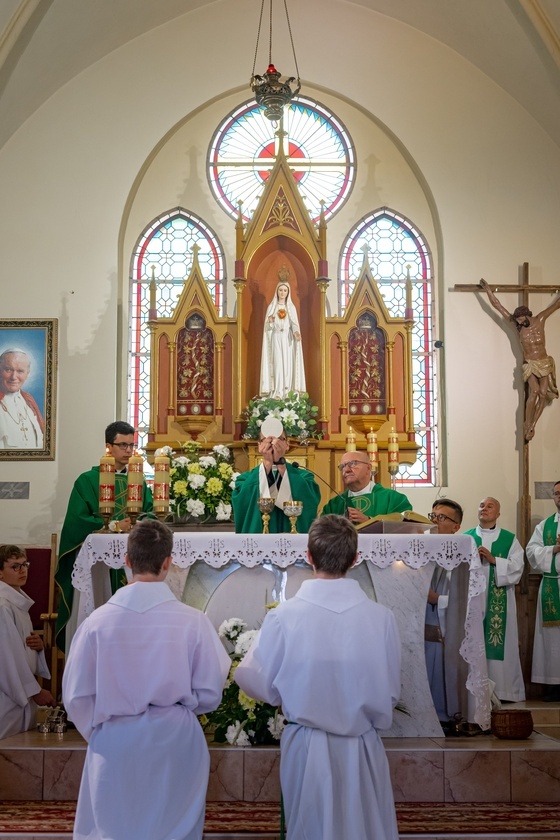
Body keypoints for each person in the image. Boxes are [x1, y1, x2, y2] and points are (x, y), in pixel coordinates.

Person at [235, 515, 401, 840]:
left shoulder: (284, 616)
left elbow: (253, 677)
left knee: (311, 828)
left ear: (308, 556)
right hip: (361, 746)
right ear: (355, 559)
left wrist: (280, 698)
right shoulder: (381, 618)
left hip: (307, 745)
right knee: (363, 828)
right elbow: (391, 690)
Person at [62, 519, 229, 840]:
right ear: (168, 563)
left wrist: (103, 731)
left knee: (115, 829)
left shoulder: (97, 623)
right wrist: (179, 711)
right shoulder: (193, 621)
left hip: (114, 742)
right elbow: (210, 690)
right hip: (175, 740)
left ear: (126, 561)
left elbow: (77, 697)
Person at [55, 421, 153, 652]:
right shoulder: (87, 481)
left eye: (132, 445)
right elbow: (77, 521)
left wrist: (140, 523)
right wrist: (113, 525)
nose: (129, 450)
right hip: (100, 566)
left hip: (135, 560)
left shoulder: (138, 480)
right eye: (123, 445)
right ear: (108, 446)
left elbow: (150, 513)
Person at [480, 279, 560, 440]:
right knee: (535, 391)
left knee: (543, 394)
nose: (519, 323)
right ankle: (526, 423)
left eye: (521, 320)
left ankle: (532, 426)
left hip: (543, 361)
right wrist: (487, 289)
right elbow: (497, 306)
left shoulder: (541, 319)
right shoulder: (518, 327)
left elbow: (556, 305)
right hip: (530, 363)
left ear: (527, 316)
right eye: (517, 321)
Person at [464, 497, 525, 702]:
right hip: (472, 601)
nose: (484, 509)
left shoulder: (510, 539)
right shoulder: (466, 537)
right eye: (481, 505)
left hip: (499, 598)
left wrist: (493, 561)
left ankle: (504, 692)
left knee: (501, 642)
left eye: (490, 506)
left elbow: (518, 567)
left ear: (498, 513)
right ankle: (474, 692)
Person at [0, 545, 55, 740]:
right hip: (7, 695)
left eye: (25, 565)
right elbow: (5, 657)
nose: (23, 570)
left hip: (19, 691)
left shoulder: (17, 603)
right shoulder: (2, 606)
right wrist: (35, 690)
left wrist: (37, 647)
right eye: (15, 567)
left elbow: (19, 647)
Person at [424, 499, 467, 726]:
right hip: (424, 626)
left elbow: (471, 602)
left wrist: (436, 599)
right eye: (432, 516)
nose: (434, 521)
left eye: (441, 517)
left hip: (449, 628)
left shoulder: (464, 557)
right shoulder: (422, 552)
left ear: (456, 526)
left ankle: (445, 715)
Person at [232, 426, 320, 533]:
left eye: (278, 439)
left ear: (287, 444)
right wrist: (267, 464)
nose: (273, 443)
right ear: (259, 445)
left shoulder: (305, 477)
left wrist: (281, 465)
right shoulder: (244, 479)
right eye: (267, 440)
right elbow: (241, 500)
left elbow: (310, 498)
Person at [526, 480, 560, 701]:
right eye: (556, 493)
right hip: (552, 585)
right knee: (552, 638)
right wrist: (554, 548)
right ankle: (555, 685)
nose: (559, 497)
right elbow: (531, 551)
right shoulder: (545, 525)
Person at [321, 450, 410, 523]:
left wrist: (369, 521)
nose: (346, 470)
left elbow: (404, 526)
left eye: (353, 463)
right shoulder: (334, 505)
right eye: (343, 466)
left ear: (368, 468)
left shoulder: (394, 499)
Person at [259, 275, 306, 399]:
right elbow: (267, 328)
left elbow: (294, 324)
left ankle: (288, 392)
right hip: (276, 338)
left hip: (287, 339)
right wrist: (270, 321)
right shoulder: (272, 307)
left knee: (287, 364)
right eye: (280, 290)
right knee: (278, 364)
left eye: (285, 290)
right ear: (277, 291)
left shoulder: (291, 308)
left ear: (288, 292)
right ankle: (278, 392)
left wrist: (296, 333)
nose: (282, 293)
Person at [0, 349, 44, 449]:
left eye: (20, 371)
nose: (14, 377)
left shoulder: (29, 401)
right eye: (8, 370)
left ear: (27, 374)